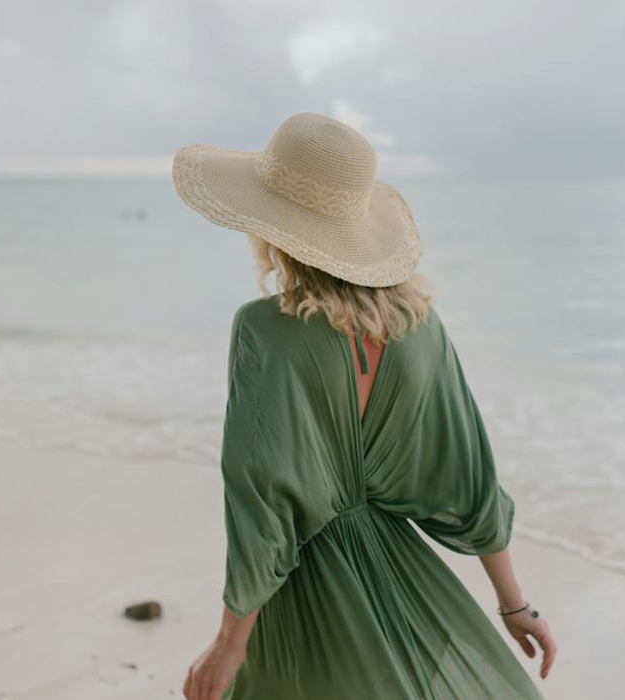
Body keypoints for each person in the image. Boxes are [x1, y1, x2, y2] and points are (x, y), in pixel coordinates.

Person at [173, 112, 556, 699]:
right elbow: (469, 477)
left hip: (304, 587)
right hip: (400, 578)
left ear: (273, 226)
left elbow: (262, 497)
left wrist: (230, 643)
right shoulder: (421, 328)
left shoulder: (264, 330)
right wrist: (514, 604)